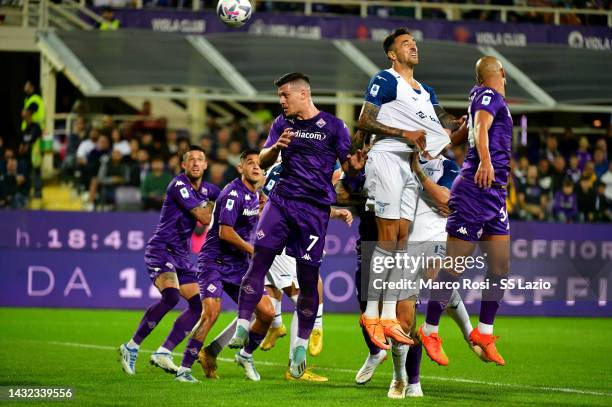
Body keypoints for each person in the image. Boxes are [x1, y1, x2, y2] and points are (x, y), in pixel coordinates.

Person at [227, 72, 360, 379]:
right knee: (259, 259)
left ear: (304, 94)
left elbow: (350, 173)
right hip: (281, 202)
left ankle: (300, 345)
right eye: (280, 97)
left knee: (308, 277)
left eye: (285, 95)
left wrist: (354, 171)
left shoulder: (334, 126)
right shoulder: (281, 124)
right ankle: (243, 324)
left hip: (313, 210)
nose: (282, 101)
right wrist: (276, 149)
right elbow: (262, 158)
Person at [354, 27, 462, 350]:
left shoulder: (426, 91)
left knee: (401, 238)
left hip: (410, 166)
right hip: (387, 157)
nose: (413, 46)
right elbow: (364, 120)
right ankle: (371, 314)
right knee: (387, 239)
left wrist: (471, 120)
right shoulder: (385, 80)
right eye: (405, 43)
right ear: (392, 53)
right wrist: (403, 134)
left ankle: (388, 316)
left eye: (414, 42)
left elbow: (446, 123)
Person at [419, 56, 513, 367]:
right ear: (501, 73)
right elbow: (483, 127)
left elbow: (466, 132)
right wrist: (485, 160)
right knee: (454, 266)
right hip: (476, 188)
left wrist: (444, 141)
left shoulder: (480, 97)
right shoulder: (489, 96)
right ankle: (430, 329)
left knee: (499, 266)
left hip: (494, 193)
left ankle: (483, 333)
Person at [118, 146, 218, 375]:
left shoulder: (208, 189)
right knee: (172, 296)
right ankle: (131, 347)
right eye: (190, 159)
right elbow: (203, 217)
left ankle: (163, 352)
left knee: (197, 306)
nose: (195, 163)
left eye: (200, 159)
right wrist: (219, 208)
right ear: (183, 165)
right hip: (161, 249)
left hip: (182, 255)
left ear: (205, 165)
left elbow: (230, 198)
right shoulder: (179, 185)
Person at [175, 150, 269, 383]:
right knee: (211, 314)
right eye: (250, 163)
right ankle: (184, 369)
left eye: (259, 165)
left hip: (239, 267)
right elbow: (225, 232)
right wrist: (253, 251)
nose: (256, 168)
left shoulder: (257, 195)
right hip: (213, 263)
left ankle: (245, 355)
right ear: (241, 168)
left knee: (267, 313)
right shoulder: (232, 193)